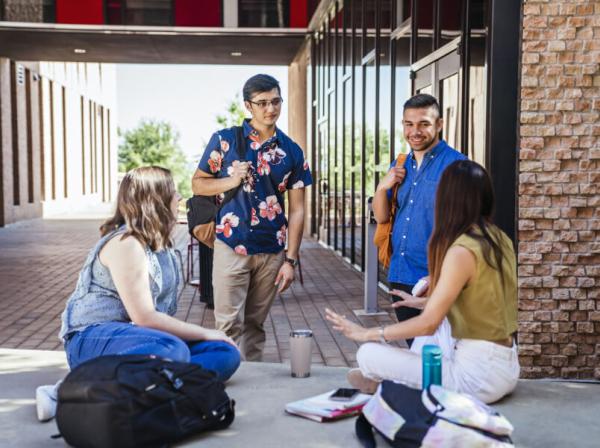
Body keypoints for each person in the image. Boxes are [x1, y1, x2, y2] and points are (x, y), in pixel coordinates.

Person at [326, 160, 519, 404]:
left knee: (368, 354)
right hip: (506, 366)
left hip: (476, 379)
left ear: (447, 200)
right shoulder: (498, 238)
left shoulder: (461, 251)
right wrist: (426, 301)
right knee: (437, 327)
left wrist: (367, 333)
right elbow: (486, 300)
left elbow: (428, 324)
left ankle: (392, 381)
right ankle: (399, 380)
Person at [192, 74, 312, 361]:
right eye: (262, 103)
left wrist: (291, 260)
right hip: (231, 245)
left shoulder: (292, 152)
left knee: (254, 326)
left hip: (272, 252)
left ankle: (251, 384)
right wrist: (230, 181)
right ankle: (226, 383)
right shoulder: (224, 141)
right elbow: (198, 184)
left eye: (275, 101)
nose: (270, 109)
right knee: (228, 326)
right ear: (248, 106)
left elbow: (297, 210)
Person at [372, 94, 465, 347]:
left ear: (439, 124)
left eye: (424, 123)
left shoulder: (457, 166)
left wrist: (443, 278)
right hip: (401, 273)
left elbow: (466, 230)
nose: (415, 131)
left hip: (434, 277)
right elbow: (381, 216)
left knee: (440, 351)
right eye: (409, 124)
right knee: (416, 349)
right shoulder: (401, 164)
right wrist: (383, 187)